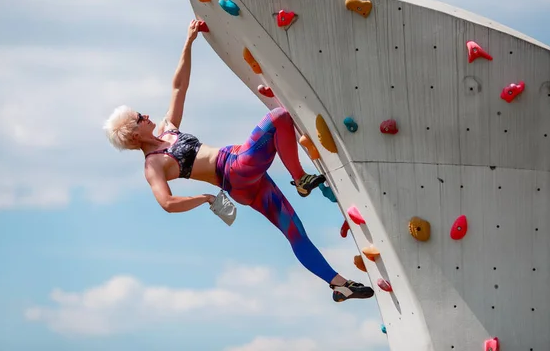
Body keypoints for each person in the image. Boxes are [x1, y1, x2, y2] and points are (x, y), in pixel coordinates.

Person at [103, 19, 374, 303]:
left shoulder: (167, 130)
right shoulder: (153, 164)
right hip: (235, 170)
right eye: (138, 118)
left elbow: (178, 87)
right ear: (133, 136)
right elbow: (167, 204)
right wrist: (205, 198)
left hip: (243, 184)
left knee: (294, 230)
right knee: (279, 117)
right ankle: (300, 179)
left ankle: (339, 285)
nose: (145, 116)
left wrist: (189, 41)